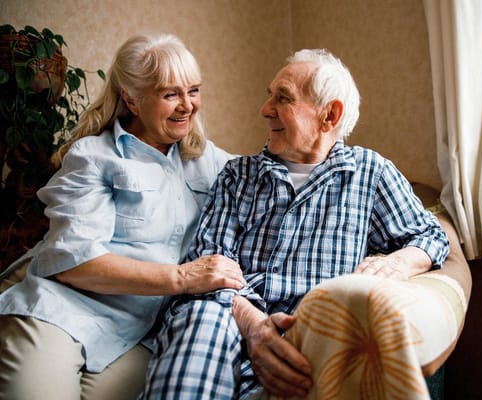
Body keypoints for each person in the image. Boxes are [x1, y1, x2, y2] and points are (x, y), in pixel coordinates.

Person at [139, 48, 449, 399]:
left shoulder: (369, 173)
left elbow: (430, 236)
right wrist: (255, 326)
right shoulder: (238, 176)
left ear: (329, 115)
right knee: (202, 320)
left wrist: (395, 263)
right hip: (228, 317)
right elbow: (208, 266)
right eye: (269, 95)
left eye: (282, 98)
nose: (264, 109)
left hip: (307, 331)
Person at [0, 34, 243, 400]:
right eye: (169, 94)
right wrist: (183, 277)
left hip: (139, 335)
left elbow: (278, 175)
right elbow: (73, 263)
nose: (187, 106)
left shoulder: (210, 161)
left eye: (193, 90)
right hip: (60, 314)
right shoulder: (93, 156)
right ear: (131, 98)